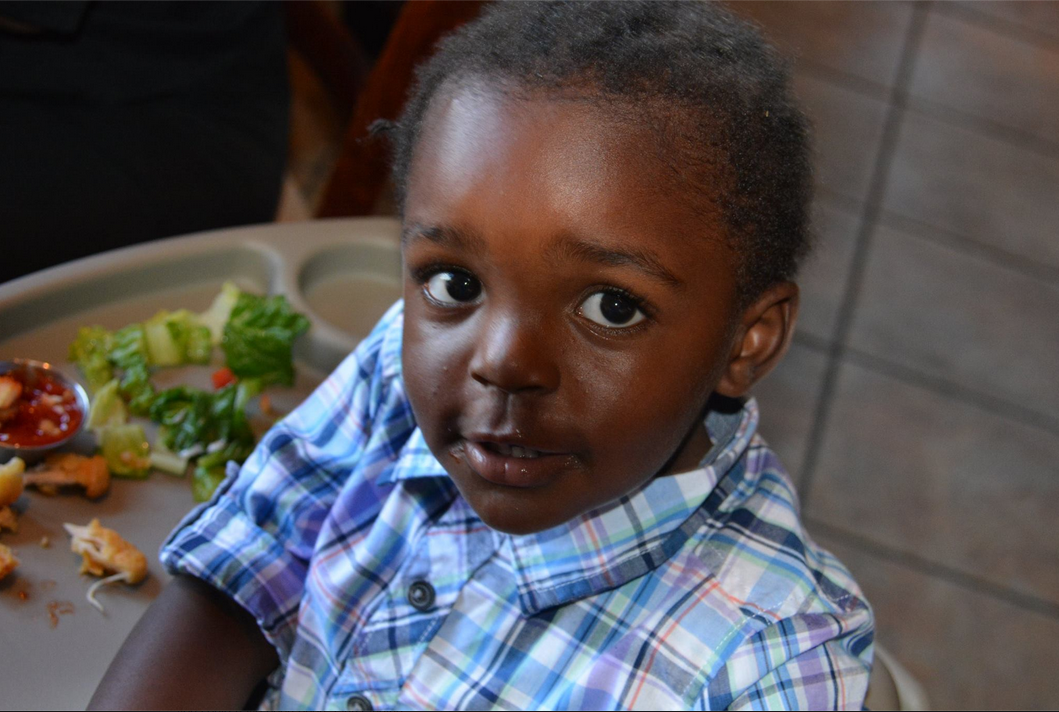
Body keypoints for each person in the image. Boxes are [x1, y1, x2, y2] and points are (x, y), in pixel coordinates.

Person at [89, 3, 873, 709]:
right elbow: (239, 578)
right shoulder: (394, 375)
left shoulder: (768, 660)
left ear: (748, 339)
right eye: (455, 283)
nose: (500, 360)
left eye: (611, 307)